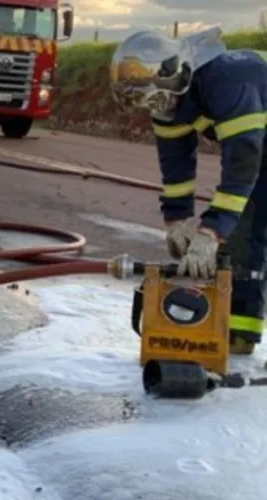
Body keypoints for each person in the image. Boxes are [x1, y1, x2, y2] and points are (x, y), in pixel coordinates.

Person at [110, 28, 267, 354]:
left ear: (174, 74)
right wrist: (177, 220)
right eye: (145, 101)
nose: (154, 107)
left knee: (243, 228)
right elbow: (176, 164)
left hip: (255, 145)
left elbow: (243, 161)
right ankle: (236, 335)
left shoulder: (229, 80)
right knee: (244, 231)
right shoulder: (170, 102)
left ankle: (239, 334)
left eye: (155, 97)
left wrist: (210, 232)